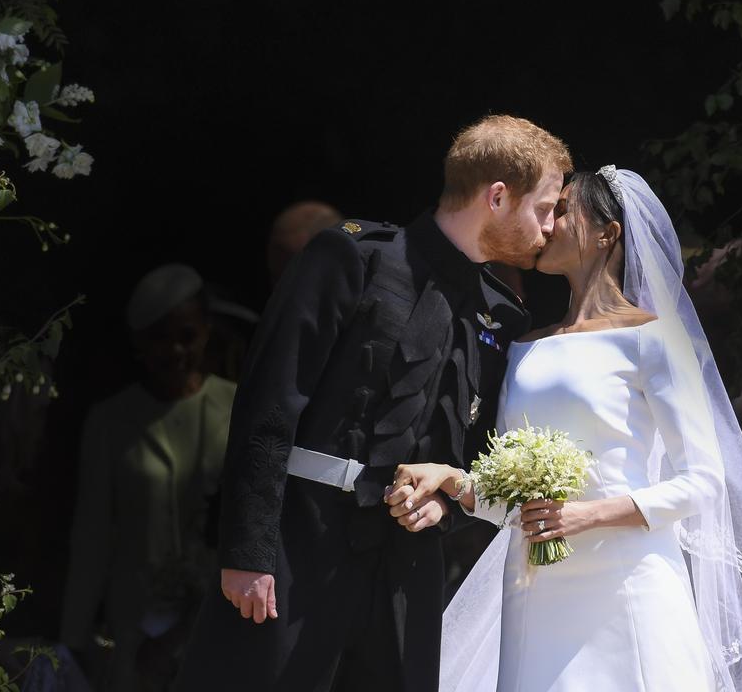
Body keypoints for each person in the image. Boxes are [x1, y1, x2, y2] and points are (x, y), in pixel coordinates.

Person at [174, 115, 572, 692]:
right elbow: (268, 406)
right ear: (498, 197)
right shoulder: (350, 258)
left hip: (406, 568)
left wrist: (447, 507)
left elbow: (476, 450)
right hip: (299, 542)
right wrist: (247, 552)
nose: (548, 228)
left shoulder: (502, 316)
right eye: (543, 208)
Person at [391, 168, 742, 691]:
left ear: (608, 233)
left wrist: (585, 515)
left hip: (628, 584)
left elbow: (703, 480)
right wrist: (453, 480)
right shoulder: (524, 346)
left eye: (562, 210)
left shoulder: (651, 339)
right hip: (535, 591)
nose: (547, 223)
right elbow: (514, 502)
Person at [60, 264, 237, 692]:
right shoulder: (110, 421)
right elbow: (92, 537)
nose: (175, 350)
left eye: (187, 336)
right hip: (132, 636)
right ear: (138, 342)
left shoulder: (239, 407)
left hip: (216, 623)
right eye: (159, 337)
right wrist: (72, 643)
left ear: (207, 331)